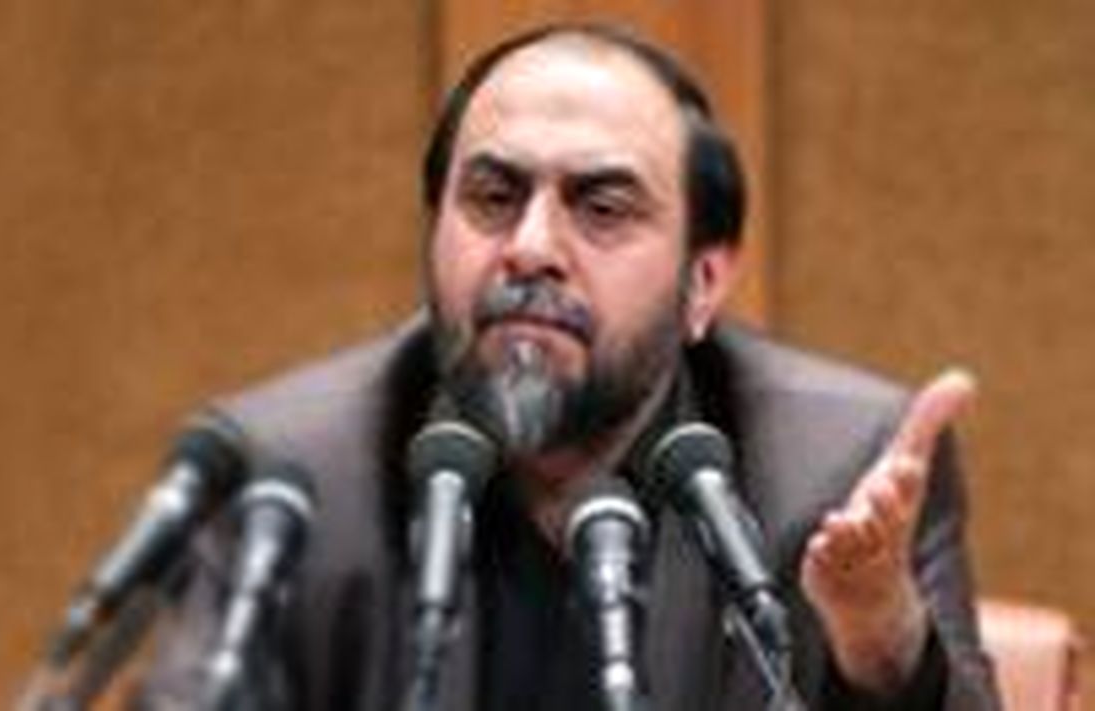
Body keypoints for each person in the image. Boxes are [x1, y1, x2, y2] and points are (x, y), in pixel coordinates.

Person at [135, 23, 1000, 711]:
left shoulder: (839, 467)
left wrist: (881, 640)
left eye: (602, 207)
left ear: (702, 282)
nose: (531, 247)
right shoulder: (293, 474)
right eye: (493, 197)